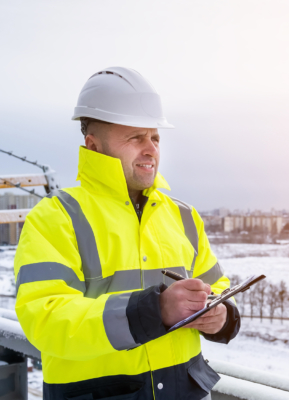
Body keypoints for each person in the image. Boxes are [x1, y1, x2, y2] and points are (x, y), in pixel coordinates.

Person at [14, 67, 240, 400]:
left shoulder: (184, 216)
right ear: (94, 146)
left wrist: (220, 314)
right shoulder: (55, 218)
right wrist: (154, 310)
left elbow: (218, 288)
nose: (151, 149)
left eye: (155, 138)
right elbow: (45, 320)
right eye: (136, 137)